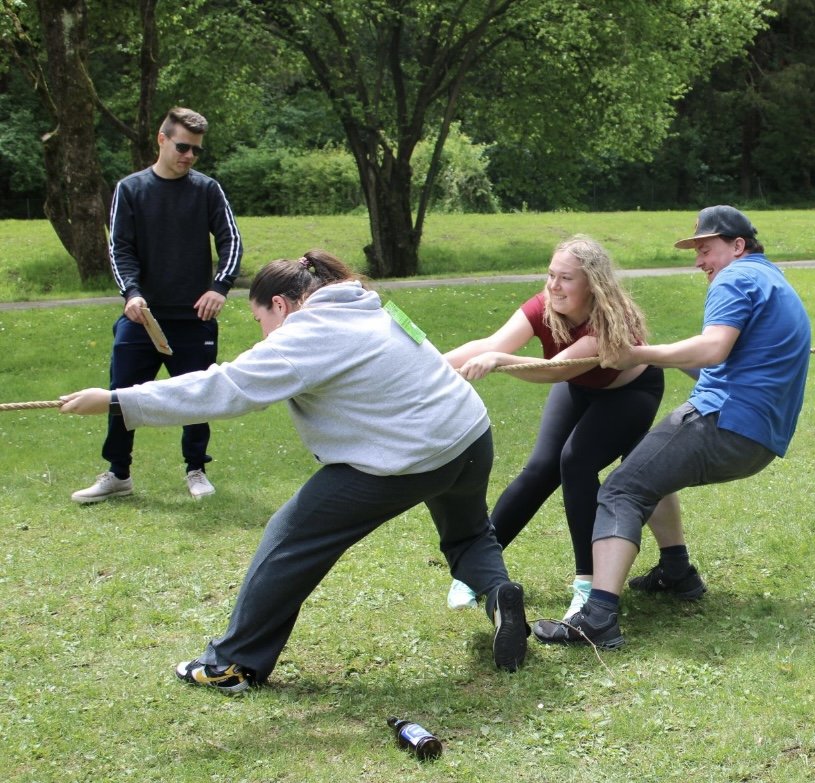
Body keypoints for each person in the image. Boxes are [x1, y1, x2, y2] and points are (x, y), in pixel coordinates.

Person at [58, 250, 530, 693]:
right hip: (469, 434)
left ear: (280, 305)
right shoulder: (368, 306)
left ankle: (232, 665)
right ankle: (499, 596)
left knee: (288, 540)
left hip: (412, 453)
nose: (264, 333)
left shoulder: (308, 333)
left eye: (260, 320)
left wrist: (118, 400)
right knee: (469, 533)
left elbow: (226, 387)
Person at [533, 205, 811, 649]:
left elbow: (714, 349)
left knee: (621, 490)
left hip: (724, 422)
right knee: (647, 466)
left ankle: (598, 617)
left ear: (738, 246)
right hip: (761, 437)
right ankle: (677, 571)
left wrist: (637, 355)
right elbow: (726, 361)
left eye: (706, 249)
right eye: (697, 252)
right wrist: (667, 356)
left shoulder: (735, 279)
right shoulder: (772, 279)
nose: (699, 261)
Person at [442, 235, 682, 621]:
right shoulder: (544, 305)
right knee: (541, 468)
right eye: (551, 275)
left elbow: (556, 369)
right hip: (578, 387)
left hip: (629, 393)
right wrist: (433, 366)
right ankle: (474, 569)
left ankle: (588, 585)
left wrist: (499, 360)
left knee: (576, 462)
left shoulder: (608, 319)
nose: (554, 285)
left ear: (593, 283)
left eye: (566, 278)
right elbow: (492, 342)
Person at [72, 107, 243, 504]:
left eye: (197, 150)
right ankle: (118, 474)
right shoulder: (130, 189)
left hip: (194, 319)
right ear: (162, 139)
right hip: (141, 318)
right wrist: (131, 293)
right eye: (183, 147)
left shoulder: (207, 189)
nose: (190, 156)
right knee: (121, 395)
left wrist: (219, 287)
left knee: (196, 397)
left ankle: (196, 470)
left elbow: (231, 240)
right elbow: (120, 248)